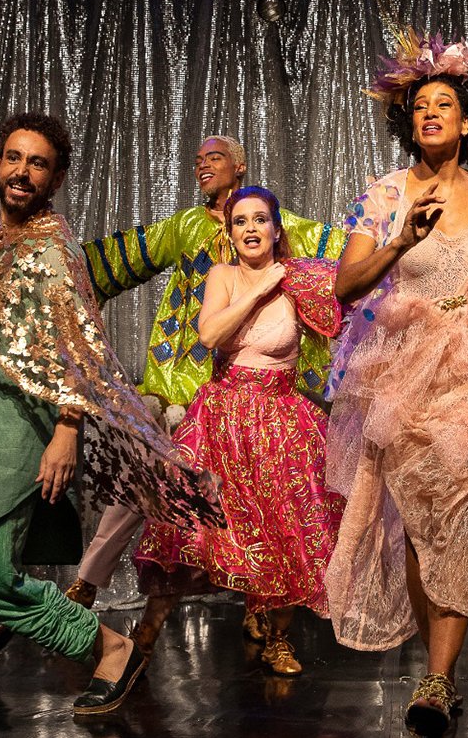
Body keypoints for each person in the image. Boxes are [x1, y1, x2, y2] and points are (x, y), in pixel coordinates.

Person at [0, 113, 220, 724]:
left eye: (37, 163)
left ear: (55, 178)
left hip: (12, 424)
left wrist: (67, 430)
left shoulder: (52, 250)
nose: (21, 171)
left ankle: (110, 649)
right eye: (13, 158)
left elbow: (79, 346)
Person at [0, 135, 344, 658]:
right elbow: (119, 258)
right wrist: (50, 283)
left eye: (214, 158)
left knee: (261, 508)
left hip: (263, 402)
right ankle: (89, 597)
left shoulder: (288, 231)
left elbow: (350, 260)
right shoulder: (187, 228)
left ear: (240, 168)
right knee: (152, 495)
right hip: (182, 387)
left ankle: (260, 615)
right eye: (197, 160)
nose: (202, 166)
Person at [323, 28, 468, 736]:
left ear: (465, 120)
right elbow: (344, 284)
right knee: (422, 531)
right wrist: (400, 241)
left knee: (458, 525)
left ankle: (437, 678)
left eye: (443, 103)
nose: (429, 113)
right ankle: (437, 664)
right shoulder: (384, 195)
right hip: (404, 378)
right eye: (420, 104)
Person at [133, 186, 346, 676]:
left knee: (286, 528)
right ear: (230, 233)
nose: (250, 228)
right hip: (223, 417)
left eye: (260, 219)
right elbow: (209, 336)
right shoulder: (224, 276)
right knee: (187, 526)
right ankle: (144, 637)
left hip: (281, 419)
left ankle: (278, 638)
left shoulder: (299, 281)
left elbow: (348, 302)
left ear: (276, 229)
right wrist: (258, 287)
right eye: (240, 221)